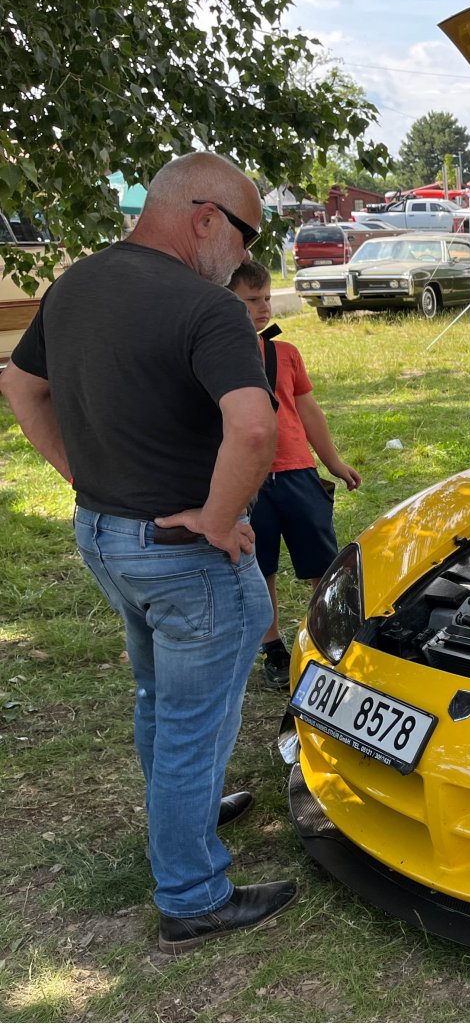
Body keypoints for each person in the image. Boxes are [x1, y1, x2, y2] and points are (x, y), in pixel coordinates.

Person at [0, 151, 299, 953]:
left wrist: (81, 473)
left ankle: (186, 814)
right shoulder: (206, 308)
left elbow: (21, 387)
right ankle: (192, 894)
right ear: (206, 218)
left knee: (157, 701)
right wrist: (214, 517)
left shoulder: (73, 285)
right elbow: (256, 427)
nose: (244, 256)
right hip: (180, 555)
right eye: (245, 236)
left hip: (106, 539)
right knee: (194, 723)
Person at [227, 260, 360, 689]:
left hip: (298, 472)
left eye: (266, 298)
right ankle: (273, 648)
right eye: (252, 300)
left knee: (323, 561)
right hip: (247, 481)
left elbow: (307, 409)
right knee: (259, 565)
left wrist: (333, 462)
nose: (263, 307)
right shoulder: (215, 354)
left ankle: (332, 636)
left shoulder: (285, 354)